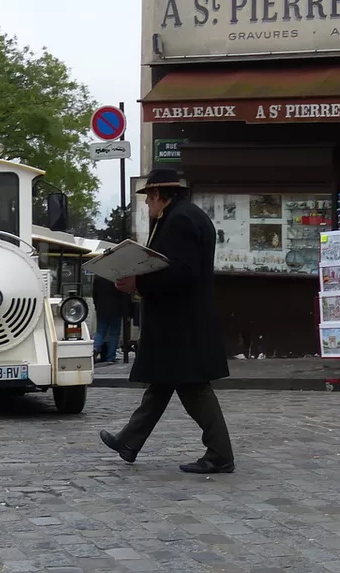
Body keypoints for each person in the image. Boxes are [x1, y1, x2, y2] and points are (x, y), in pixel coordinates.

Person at [99, 168, 234, 474]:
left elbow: (182, 274)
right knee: (161, 384)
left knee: (193, 387)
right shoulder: (188, 216)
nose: (147, 204)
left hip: (180, 323)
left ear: (159, 195)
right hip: (181, 321)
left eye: (148, 198)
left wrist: (139, 283)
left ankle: (220, 454)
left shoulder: (179, 221)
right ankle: (129, 442)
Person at [91, 273, 129, 363]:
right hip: (116, 309)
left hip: (101, 308)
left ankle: (95, 348)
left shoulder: (98, 277)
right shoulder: (118, 277)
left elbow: (94, 294)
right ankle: (111, 357)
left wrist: (96, 306)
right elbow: (124, 294)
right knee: (114, 334)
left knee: (100, 331)